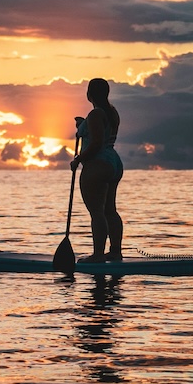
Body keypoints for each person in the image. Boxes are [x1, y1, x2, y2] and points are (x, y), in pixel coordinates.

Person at [70, 78, 124, 263]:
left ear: (89, 95)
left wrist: (78, 159)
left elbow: (96, 143)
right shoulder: (112, 112)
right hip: (114, 162)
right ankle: (115, 251)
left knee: (97, 212)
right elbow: (101, 133)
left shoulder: (95, 115)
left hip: (97, 164)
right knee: (110, 210)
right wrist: (83, 125)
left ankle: (98, 255)